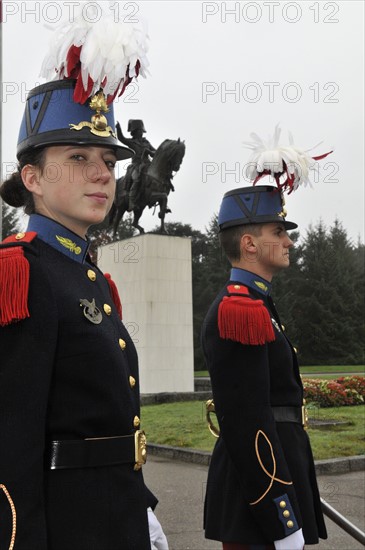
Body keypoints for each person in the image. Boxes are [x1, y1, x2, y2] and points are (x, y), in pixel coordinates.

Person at [0, 12, 168, 550]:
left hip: (118, 519)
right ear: (33, 179)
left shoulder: (90, 277)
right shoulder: (19, 273)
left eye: (108, 161)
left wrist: (139, 510)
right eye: (78, 157)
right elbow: (11, 447)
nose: (102, 173)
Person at [202, 184, 328, 550]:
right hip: (259, 494)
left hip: (280, 475)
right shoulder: (238, 309)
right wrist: (281, 515)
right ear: (249, 244)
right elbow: (247, 423)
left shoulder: (259, 305)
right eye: (278, 232)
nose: (288, 241)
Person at [116, 120, 156, 211]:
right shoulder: (131, 142)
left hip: (147, 164)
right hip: (136, 165)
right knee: (136, 178)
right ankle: (131, 202)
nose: (141, 132)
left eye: (142, 131)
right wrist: (118, 128)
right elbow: (121, 138)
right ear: (135, 132)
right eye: (139, 131)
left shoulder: (146, 142)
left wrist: (150, 152)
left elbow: (155, 152)